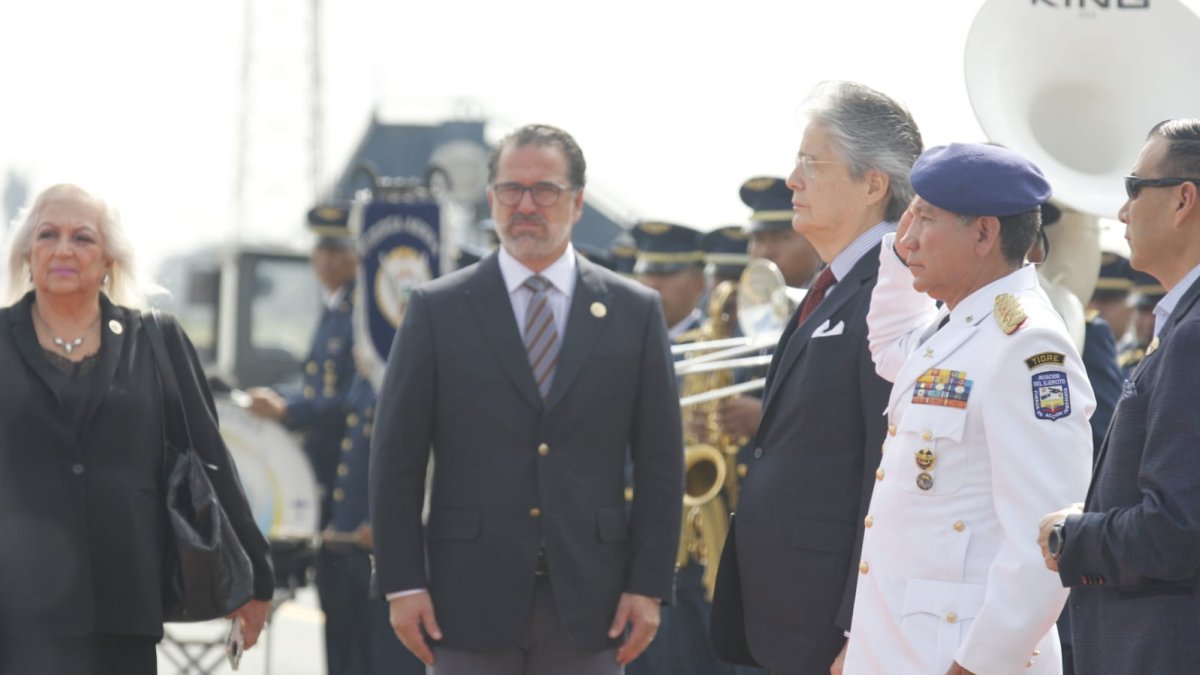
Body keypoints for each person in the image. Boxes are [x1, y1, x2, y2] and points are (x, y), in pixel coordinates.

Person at [369, 123, 684, 675]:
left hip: (593, 605)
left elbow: (661, 463)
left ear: (579, 202)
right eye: (510, 190)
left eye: (545, 190)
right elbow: (396, 457)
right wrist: (401, 582)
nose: (526, 205)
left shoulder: (634, 314)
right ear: (491, 198)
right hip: (463, 602)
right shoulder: (436, 311)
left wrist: (649, 586)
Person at [0, 184, 273, 674]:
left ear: (109, 260)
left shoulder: (156, 341)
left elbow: (210, 459)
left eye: (82, 238)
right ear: (26, 255)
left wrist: (256, 577)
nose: (63, 249)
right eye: (48, 235)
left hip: (124, 604)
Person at [845, 143, 1094, 675]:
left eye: (926, 219)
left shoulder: (1026, 345)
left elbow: (1046, 541)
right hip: (900, 651)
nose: (907, 236)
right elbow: (889, 344)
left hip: (962, 660)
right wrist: (905, 239)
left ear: (983, 234)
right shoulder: (956, 325)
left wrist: (982, 664)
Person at [709, 81, 923, 675]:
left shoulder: (895, 289)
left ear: (873, 183)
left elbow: (886, 476)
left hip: (833, 629)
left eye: (811, 162)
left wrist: (861, 624)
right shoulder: (837, 286)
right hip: (788, 617)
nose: (792, 180)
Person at [1038, 118, 1200, 675]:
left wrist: (1071, 534)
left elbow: (1178, 530)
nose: (1123, 210)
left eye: (1135, 188)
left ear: (1184, 199)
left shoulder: (1194, 335)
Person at [245, 205, 358, 672]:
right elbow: (320, 390)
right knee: (339, 617)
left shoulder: (364, 314)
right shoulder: (334, 311)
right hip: (325, 487)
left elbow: (357, 401)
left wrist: (292, 410)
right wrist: (281, 399)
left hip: (350, 486)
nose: (327, 259)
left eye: (338, 248)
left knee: (355, 620)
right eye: (321, 248)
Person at [716, 175, 825, 457]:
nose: (765, 250)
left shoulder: (831, 308)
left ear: (813, 239)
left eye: (782, 237)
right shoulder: (744, 310)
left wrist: (765, 416)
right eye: (757, 238)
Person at [632, 221, 707, 341]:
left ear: (700, 283)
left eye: (666, 274)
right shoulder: (625, 340)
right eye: (647, 273)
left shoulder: (713, 346)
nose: (653, 284)